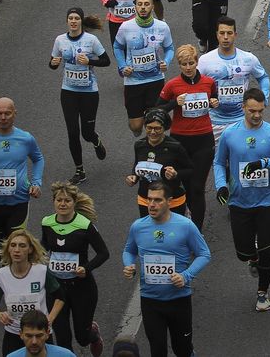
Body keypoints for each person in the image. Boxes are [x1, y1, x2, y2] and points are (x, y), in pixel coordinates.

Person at [213, 89, 270, 311]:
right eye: (252, 111)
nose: (257, 115)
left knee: (267, 250)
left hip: (268, 201)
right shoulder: (230, 134)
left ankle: (262, 292)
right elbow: (219, 162)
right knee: (243, 252)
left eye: (260, 111)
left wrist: (265, 163)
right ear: (243, 108)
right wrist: (220, 185)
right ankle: (251, 257)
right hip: (240, 202)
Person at [122, 181, 211, 357]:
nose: (152, 205)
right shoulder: (138, 226)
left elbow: (204, 254)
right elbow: (129, 251)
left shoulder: (185, 225)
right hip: (150, 301)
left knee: (182, 349)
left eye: (157, 200)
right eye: (149, 200)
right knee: (158, 350)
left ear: (169, 202)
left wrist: (186, 276)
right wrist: (129, 265)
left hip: (179, 300)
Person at [40, 182, 108, 355]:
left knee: (82, 337)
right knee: (62, 339)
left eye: (67, 201)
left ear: (74, 202)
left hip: (82, 288)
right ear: (53, 202)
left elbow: (103, 253)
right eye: (59, 200)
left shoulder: (85, 225)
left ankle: (93, 334)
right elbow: (44, 245)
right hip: (56, 289)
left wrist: (86, 268)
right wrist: (39, 257)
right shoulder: (47, 223)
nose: (63, 204)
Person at [157, 45, 218, 231]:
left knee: (197, 187)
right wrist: (175, 103)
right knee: (185, 186)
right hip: (179, 143)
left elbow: (214, 98)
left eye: (191, 63)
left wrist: (214, 102)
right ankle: (189, 215)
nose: (188, 67)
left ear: (197, 62)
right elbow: (156, 110)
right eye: (184, 64)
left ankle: (196, 232)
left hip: (204, 140)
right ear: (179, 65)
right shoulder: (172, 85)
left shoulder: (208, 82)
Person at [49, 9, 109, 184]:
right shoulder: (60, 40)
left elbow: (106, 61)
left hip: (89, 92)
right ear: (67, 21)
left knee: (87, 133)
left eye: (76, 18)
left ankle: (96, 141)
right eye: (70, 18)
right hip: (68, 92)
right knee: (73, 132)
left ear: (81, 21)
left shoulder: (91, 40)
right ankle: (80, 170)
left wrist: (89, 61)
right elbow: (53, 63)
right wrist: (53, 63)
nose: (73, 21)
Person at [0, 230, 64, 356]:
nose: (17, 250)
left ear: (30, 249)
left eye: (22, 245)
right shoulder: (0, 275)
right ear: (8, 249)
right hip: (14, 333)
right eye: (13, 245)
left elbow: (60, 297)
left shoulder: (42, 271)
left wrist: (50, 319)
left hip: (39, 333)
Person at [198, 16, 270, 142]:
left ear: (235, 35)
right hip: (215, 121)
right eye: (222, 33)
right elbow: (196, 86)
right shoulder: (205, 60)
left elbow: (263, 77)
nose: (225, 37)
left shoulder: (248, 58)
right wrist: (207, 100)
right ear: (216, 35)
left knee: (244, 159)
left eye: (229, 33)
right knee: (217, 161)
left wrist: (264, 97)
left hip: (242, 120)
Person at [113, 0, 175, 137]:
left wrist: (166, 62)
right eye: (139, 4)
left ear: (152, 7)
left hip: (156, 80)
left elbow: (169, 48)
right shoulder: (126, 27)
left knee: (154, 121)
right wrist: (122, 67)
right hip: (133, 82)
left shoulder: (162, 27)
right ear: (135, 7)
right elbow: (117, 47)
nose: (143, 7)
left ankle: (152, 150)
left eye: (146, 4)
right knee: (136, 126)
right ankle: (136, 129)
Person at [128, 109, 193, 218]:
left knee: (173, 233)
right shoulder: (139, 145)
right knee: (150, 232)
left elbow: (190, 170)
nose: (153, 132)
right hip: (146, 199)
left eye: (157, 128)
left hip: (172, 200)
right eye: (149, 128)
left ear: (164, 128)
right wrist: (133, 177)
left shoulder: (175, 147)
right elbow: (137, 166)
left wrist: (176, 174)